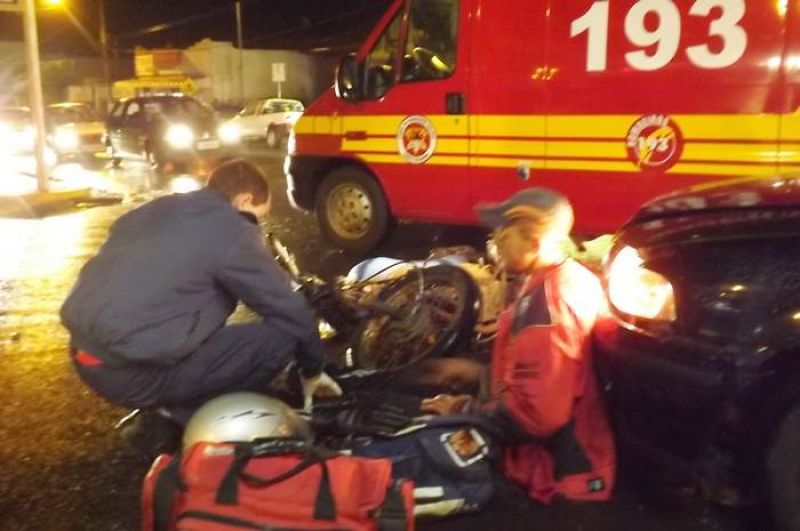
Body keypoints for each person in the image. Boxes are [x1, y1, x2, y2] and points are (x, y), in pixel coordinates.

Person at [60, 159, 341, 425]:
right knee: (282, 337)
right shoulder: (231, 229)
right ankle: (188, 413)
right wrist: (313, 370)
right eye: (256, 218)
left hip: (85, 357)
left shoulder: (157, 208)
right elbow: (288, 309)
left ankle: (173, 400)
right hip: (133, 375)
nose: (254, 227)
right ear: (243, 200)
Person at [420, 188, 616, 504]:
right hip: (561, 447)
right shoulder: (559, 277)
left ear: (534, 243)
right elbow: (537, 374)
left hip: (562, 475)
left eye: (503, 233)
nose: (495, 241)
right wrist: (477, 374)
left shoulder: (550, 306)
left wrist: (463, 410)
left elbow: (539, 415)